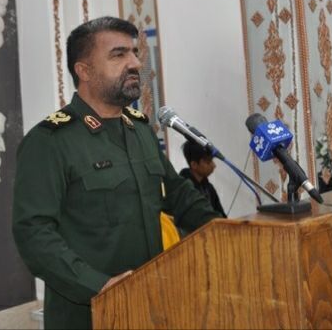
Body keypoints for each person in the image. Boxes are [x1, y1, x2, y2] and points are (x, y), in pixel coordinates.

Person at [12, 17, 223, 329]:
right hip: (88, 314)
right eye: (118, 54)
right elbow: (33, 233)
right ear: (84, 71)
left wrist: (229, 233)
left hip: (152, 306)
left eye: (134, 52)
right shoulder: (50, 141)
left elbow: (179, 196)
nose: (135, 63)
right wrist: (97, 285)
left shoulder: (139, 130)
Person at [179, 140, 227, 219]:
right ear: (194, 165)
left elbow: (222, 217)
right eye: (208, 162)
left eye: (212, 160)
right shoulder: (183, 190)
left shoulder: (209, 188)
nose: (214, 165)